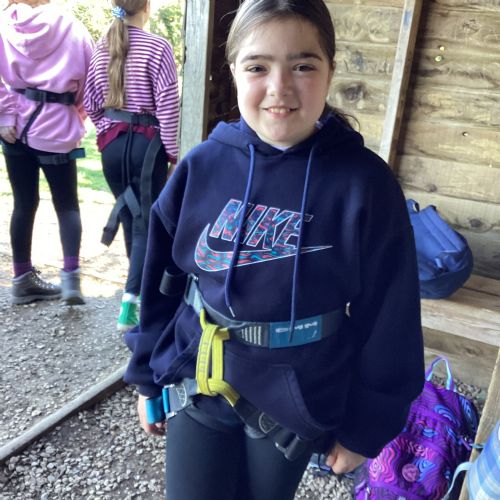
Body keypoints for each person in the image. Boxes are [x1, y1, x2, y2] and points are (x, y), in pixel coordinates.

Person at [124, 1, 425, 499]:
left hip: (299, 395)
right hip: (199, 373)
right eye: (258, 67)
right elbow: (157, 277)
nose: (279, 88)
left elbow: (390, 315)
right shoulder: (202, 166)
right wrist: (145, 375)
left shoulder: (364, 185)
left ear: (329, 71)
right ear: (234, 72)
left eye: (303, 66)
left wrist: (366, 427)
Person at [84, 0, 180, 332]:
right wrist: (172, 153)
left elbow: (90, 103)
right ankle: (133, 302)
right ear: (147, 6)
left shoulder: (102, 48)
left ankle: (135, 292)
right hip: (147, 147)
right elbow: (168, 106)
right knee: (145, 222)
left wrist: (107, 130)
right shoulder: (158, 47)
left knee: (131, 216)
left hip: (111, 146)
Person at [0, 0, 93, 305]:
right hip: (57, 128)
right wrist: (75, 113)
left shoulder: (4, 27)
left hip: (15, 128)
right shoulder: (72, 28)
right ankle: (71, 280)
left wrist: (5, 113)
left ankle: (22, 279)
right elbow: (88, 81)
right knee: (67, 204)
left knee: (23, 203)